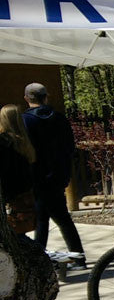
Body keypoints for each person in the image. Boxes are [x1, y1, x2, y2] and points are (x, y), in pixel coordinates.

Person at [21, 82, 85, 265]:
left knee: (43, 219)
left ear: (26, 98)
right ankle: (78, 257)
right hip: (58, 176)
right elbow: (69, 147)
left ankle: (39, 262)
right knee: (60, 218)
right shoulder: (59, 118)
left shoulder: (25, 120)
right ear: (46, 96)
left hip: (36, 177)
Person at [0, 103, 36, 234]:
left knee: (14, 229)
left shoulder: (4, 142)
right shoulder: (25, 141)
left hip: (10, 193)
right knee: (21, 227)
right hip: (25, 192)